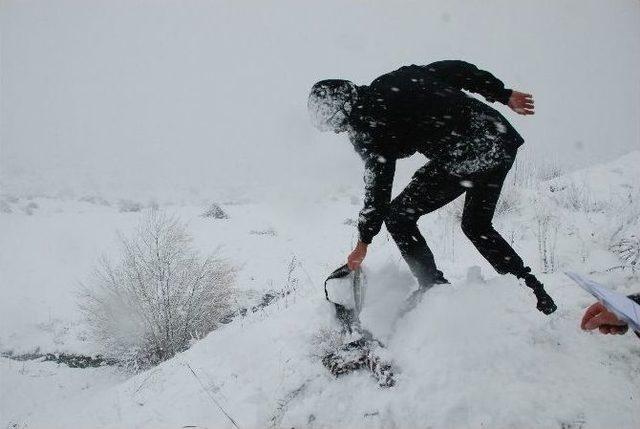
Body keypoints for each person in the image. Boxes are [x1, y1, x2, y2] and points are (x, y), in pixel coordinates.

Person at [308, 60, 557, 314]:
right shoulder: (394, 80)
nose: (339, 132)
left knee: (398, 217)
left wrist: (363, 242)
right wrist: (502, 94)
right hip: (498, 137)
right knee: (476, 226)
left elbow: (378, 189)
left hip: (467, 154)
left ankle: (433, 288)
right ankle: (535, 295)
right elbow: (455, 70)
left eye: (336, 127)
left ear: (342, 113)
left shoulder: (370, 129)